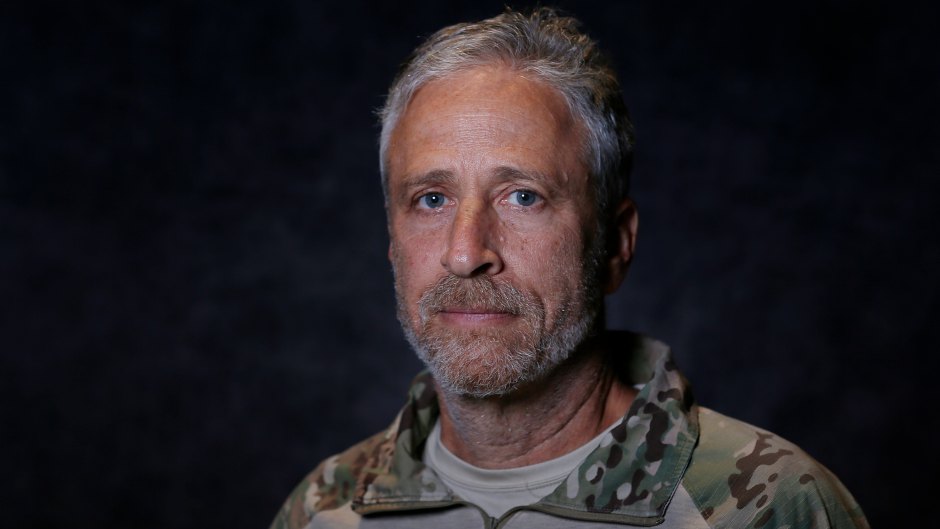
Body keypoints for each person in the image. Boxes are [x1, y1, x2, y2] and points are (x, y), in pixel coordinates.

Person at [271, 8, 869, 529]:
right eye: (431, 198)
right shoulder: (324, 510)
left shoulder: (766, 509)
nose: (465, 251)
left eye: (523, 196)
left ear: (614, 244)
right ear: (391, 242)